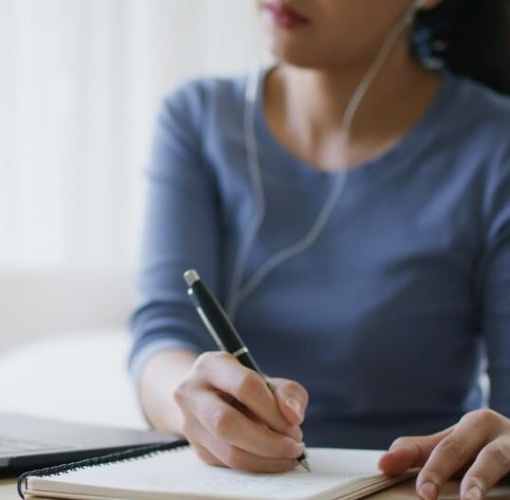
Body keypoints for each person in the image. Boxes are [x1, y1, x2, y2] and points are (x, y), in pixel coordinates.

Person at [128, 1, 510, 499]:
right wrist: (196, 406)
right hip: (224, 486)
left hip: (413, 489)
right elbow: (163, 336)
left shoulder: (496, 146)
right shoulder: (198, 121)